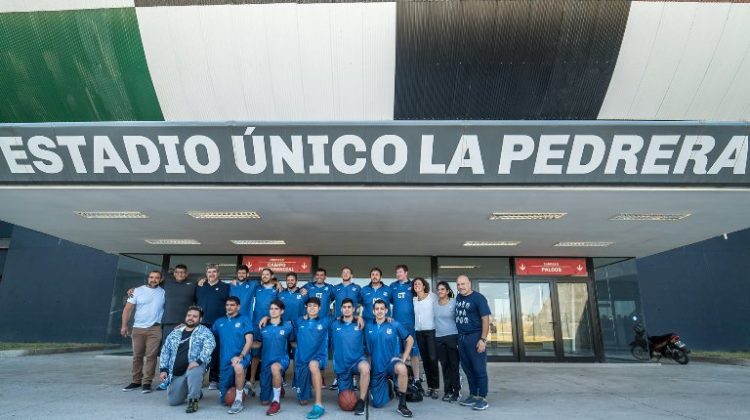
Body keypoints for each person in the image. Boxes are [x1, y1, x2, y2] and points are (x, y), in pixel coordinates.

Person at [158, 306, 216, 413]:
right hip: (177, 371)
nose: (191, 318)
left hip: (194, 366)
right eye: (189, 315)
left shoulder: (205, 332)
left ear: (200, 319)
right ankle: (196, 390)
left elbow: (210, 347)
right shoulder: (175, 332)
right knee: (173, 401)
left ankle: (193, 400)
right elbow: (165, 351)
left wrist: (198, 361)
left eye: (195, 316)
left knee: (194, 370)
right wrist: (163, 369)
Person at [365, 299, 414, 417]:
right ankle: (390, 386)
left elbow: (410, 339)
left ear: (386, 310)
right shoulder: (368, 327)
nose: (380, 311)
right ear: (373, 311)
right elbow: (366, 350)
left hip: (392, 362)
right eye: (377, 309)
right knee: (377, 404)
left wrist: (403, 358)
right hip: (377, 367)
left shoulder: (394, 324)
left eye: (382, 309)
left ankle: (402, 405)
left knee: (402, 369)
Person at [121, 270, 165, 394]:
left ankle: (147, 382)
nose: (154, 279)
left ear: (160, 279)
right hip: (138, 328)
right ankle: (136, 381)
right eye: (151, 277)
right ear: (148, 278)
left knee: (151, 356)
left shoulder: (163, 292)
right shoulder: (137, 291)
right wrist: (124, 326)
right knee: (137, 356)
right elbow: (127, 310)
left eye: (157, 278)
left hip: (155, 328)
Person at [212, 296, 254, 414]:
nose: (229, 307)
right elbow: (208, 336)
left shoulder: (245, 320)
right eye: (227, 305)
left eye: (232, 305)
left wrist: (241, 356)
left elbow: (249, 341)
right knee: (225, 400)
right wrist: (185, 326)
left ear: (238, 307)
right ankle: (245, 388)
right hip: (224, 359)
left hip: (241, 356)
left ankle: (239, 400)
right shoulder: (219, 322)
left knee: (239, 367)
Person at [455, 275, 491, 411]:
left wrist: (482, 339)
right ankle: (473, 394)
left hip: (475, 337)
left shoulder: (478, 298)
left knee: (479, 369)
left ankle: (482, 398)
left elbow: (485, 319)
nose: (461, 287)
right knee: (468, 369)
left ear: (469, 284)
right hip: (462, 338)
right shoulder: (458, 298)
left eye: (463, 284)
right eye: (458, 284)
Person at [330, 298, 370, 415]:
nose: (346, 309)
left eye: (349, 307)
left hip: (357, 361)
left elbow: (377, 320)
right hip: (342, 366)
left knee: (365, 368)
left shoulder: (361, 324)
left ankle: (362, 401)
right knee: (347, 403)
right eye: (344, 307)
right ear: (341, 309)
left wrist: (359, 317)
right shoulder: (334, 324)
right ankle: (349, 387)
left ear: (353, 309)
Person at [293, 296, 329, 419]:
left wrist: (358, 317)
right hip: (302, 359)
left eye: (314, 306)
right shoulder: (298, 321)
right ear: (306, 308)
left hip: (318, 357)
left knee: (313, 365)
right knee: (303, 401)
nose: (312, 308)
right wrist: (266, 317)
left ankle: (319, 404)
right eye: (309, 306)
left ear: (319, 308)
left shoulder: (325, 321)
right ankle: (305, 391)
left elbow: (344, 318)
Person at [195, 264, 230, 391]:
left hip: (218, 325)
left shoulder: (226, 287)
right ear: (206, 274)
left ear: (218, 273)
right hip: (201, 325)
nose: (211, 274)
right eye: (209, 272)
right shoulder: (199, 286)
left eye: (214, 272)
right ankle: (197, 379)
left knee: (215, 353)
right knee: (199, 352)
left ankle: (214, 379)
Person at [257, 299, 295, 416]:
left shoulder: (288, 326)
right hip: (265, 361)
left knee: (275, 368)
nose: (273, 311)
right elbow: (258, 344)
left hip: (281, 359)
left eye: (276, 309)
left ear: (282, 311)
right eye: (271, 309)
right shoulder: (262, 326)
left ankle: (276, 401)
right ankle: (279, 386)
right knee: (264, 401)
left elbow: (293, 343)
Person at [389, 265, 422, 392]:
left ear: (406, 273)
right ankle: (397, 380)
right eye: (397, 272)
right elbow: (390, 302)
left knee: (414, 353)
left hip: (410, 325)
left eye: (400, 272)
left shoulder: (413, 285)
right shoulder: (393, 286)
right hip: (397, 325)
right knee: (397, 352)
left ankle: (417, 380)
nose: (398, 274)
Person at [329, 266, 362, 390]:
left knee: (352, 350)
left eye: (348, 272)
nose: (345, 273)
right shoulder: (335, 288)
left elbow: (364, 304)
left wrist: (359, 317)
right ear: (341, 274)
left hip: (352, 323)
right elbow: (326, 300)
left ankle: (353, 378)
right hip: (338, 323)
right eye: (343, 272)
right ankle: (338, 376)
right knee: (337, 350)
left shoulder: (357, 288)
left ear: (351, 274)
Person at [249, 268, 280, 395]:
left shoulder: (277, 289)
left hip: (271, 324)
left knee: (271, 352)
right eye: (263, 274)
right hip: (257, 324)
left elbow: (279, 306)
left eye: (267, 274)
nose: (265, 276)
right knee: (255, 353)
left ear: (272, 276)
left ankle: (274, 379)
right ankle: (251, 380)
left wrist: (278, 284)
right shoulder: (257, 288)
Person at [412, 277, 440, 399]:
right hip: (419, 332)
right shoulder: (413, 299)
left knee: (433, 358)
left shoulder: (432, 297)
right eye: (415, 284)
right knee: (425, 360)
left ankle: (436, 388)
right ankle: (430, 387)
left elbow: (444, 302)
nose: (417, 285)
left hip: (431, 331)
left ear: (424, 286)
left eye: (419, 283)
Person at [433, 281, 461, 402]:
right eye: (438, 289)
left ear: (448, 291)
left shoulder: (454, 303)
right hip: (439, 337)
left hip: (452, 336)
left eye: (442, 289)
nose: (440, 291)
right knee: (444, 366)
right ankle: (447, 391)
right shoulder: (434, 304)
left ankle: (456, 391)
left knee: (454, 365)